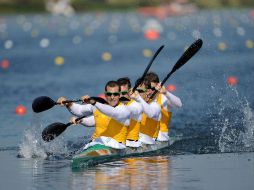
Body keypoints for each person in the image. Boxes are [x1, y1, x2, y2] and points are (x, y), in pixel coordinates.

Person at [57, 80, 130, 150]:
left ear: (120, 95)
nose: (112, 97)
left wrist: (93, 102)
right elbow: (80, 111)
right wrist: (68, 104)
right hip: (97, 144)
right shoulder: (98, 105)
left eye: (115, 94)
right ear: (105, 94)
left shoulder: (124, 109)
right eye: (109, 94)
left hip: (117, 146)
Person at [145, 72, 182, 142]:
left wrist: (166, 93)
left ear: (158, 86)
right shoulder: (141, 99)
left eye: (152, 88)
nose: (149, 91)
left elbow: (179, 104)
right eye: (147, 88)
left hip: (160, 139)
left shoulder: (163, 98)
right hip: (144, 138)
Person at [130, 78, 161, 145]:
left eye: (140, 91)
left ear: (148, 91)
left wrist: (138, 99)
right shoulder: (132, 104)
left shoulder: (155, 106)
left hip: (148, 143)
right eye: (136, 91)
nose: (137, 93)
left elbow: (151, 114)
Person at [117, 77, 143, 148]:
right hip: (117, 142)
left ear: (129, 92)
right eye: (119, 93)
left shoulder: (136, 105)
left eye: (124, 93)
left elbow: (130, 111)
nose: (121, 96)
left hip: (132, 144)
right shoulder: (115, 105)